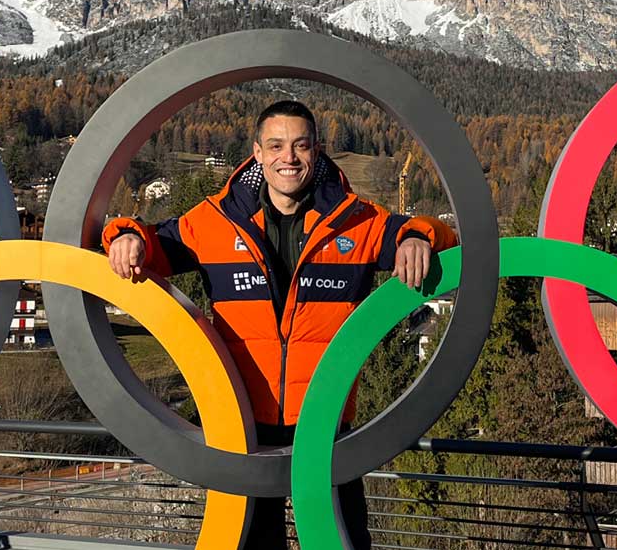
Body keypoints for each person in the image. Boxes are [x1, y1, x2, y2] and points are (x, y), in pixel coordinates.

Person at [103, 100, 457, 548]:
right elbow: (151, 244)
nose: (288, 157)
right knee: (252, 543)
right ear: (256, 153)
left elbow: (445, 237)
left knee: (342, 542)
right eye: (276, 145)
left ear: (317, 150)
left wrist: (417, 236)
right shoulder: (213, 220)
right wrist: (125, 234)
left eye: (300, 145)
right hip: (242, 428)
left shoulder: (358, 220)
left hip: (327, 429)